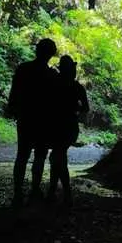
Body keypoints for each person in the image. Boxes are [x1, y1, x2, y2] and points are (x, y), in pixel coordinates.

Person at [6, 38, 60, 205]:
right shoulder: (52, 75)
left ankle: (18, 193)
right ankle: (34, 190)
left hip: (26, 117)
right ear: (51, 55)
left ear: (37, 50)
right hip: (44, 121)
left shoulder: (24, 68)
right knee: (40, 156)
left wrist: (12, 109)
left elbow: (14, 92)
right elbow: (56, 101)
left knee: (22, 155)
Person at [46, 55, 89, 208]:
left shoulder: (53, 83)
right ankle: (62, 193)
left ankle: (60, 192)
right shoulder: (77, 87)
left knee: (57, 157)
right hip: (69, 127)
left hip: (55, 126)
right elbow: (85, 108)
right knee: (58, 156)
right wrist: (74, 110)